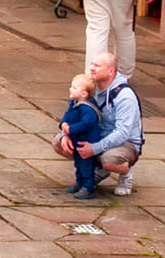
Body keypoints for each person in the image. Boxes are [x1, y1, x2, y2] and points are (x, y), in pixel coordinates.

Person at [53, 51, 143, 196]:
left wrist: (94, 148)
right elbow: (74, 112)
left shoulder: (125, 96)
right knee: (59, 143)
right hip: (95, 134)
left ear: (110, 71)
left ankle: (124, 173)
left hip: (125, 142)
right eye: (92, 64)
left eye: (97, 66)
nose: (92, 68)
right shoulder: (90, 87)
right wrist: (66, 134)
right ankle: (95, 170)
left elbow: (123, 132)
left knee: (108, 160)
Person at [60, 73, 105, 199]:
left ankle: (88, 187)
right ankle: (79, 183)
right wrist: (63, 123)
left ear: (84, 94)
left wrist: (70, 129)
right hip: (77, 140)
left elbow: (87, 124)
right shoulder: (74, 103)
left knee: (86, 166)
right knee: (78, 164)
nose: (70, 89)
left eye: (74, 88)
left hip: (87, 141)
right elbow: (67, 115)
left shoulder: (87, 109)